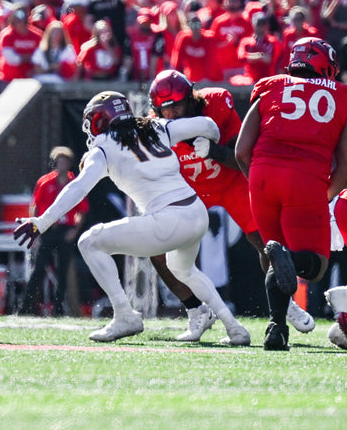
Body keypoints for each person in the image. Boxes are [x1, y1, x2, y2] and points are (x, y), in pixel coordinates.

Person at [14, 91, 250, 345]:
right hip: (195, 211)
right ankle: (235, 328)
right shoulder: (155, 126)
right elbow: (208, 125)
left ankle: (125, 314)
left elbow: (77, 188)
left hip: (168, 219)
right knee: (183, 268)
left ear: (101, 120)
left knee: (89, 242)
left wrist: (42, 221)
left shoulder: (104, 147)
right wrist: (210, 144)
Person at [149, 70, 315, 341]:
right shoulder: (156, 127)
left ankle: (286, 305)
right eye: (164, 109)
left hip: (231, 183)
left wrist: (213, 150)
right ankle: (196, 311)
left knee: (266, 243)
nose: (171, 115)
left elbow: (240, 157)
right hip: (193, 191)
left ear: (191, 99)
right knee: (157, 251)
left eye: (176, 106)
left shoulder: (216, 102)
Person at [236, 37, 347, 350]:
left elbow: (242, 151)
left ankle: (277, 328)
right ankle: (288, 263)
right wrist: (323, 195)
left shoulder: (270, 85)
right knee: (315, 265)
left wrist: (258, 181)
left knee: (275, 254)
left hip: (261, 175)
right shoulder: (341, 94)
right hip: (307, 179)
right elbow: (346, 163)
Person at [18, 146, 88, 317]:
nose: (61, 164)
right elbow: (34, 206)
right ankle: (25, 307)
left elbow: (83, 210)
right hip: (48, 229)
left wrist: (74, 231)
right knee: (39, 268)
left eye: (65, 161)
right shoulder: (45, 181)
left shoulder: (75, 184)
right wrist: (36, 227)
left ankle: (58, 309)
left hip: (65, 231)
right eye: (59, 160)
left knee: (63, 271)